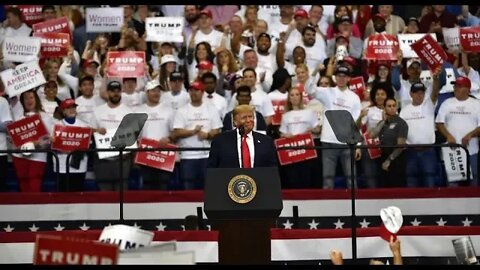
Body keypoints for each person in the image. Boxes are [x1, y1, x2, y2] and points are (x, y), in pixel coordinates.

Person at [435, 76, 480, 186]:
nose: (455, 88)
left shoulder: (477, 104)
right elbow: (439, 123)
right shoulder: (447, 103)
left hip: (471, 150)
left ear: (468, 89)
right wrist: (448, 136)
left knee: (473, 180)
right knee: (453, 183)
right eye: (455, 86)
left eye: (459, 86)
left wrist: (470, 135)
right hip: (452, 151)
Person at [134, 81, 175, 190]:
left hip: (164, 155)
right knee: (147, 188)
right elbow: (133, 134)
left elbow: (175, 131)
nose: (156, 93)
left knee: (164, 186)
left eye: (158, 90)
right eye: (153, 91)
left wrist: (169, 138)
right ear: (147, 93)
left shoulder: (169, 110)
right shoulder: (138, 111)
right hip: (145, 155)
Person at [208, 104, 277, 168]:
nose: (248, 120)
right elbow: (212, 167)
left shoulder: (266, 141)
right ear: (235, 122)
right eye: (244, 118)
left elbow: (272, 168)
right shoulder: (220, 141)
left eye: (250, 117)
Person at [11, 89, 54, 192]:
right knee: (24, 187)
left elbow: (49, 139)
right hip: (19, 157)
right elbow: (13, 140)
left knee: (34, 187)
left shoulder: (45, 117)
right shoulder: (19, 118)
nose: (28, 100)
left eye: (31, 97)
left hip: (38, 158)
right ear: (22, 101)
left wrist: (35, 143)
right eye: (25, 98)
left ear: (36, 99)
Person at [368, 97, 408, 188]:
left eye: (394, 106)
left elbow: (401, 145)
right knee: (384, 187)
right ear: (384, 108)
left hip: (395, 158)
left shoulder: (401, 123)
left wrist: (389, 160)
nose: (392, 108)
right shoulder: (382, 123)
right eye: (389, 106)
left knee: (396, 186)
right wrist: (383, 121)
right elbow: (372, 135)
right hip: (383, 155)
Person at [52, 99, 90, 192]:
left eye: (73, 107)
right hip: (62, 166)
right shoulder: (57, 125)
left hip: (79, 166)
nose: (72, 110)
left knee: (78, 195)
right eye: (68, 108)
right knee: (62, 196)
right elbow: (54, 146)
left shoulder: (84, 126)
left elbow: (87, 145)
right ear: (63, 111)